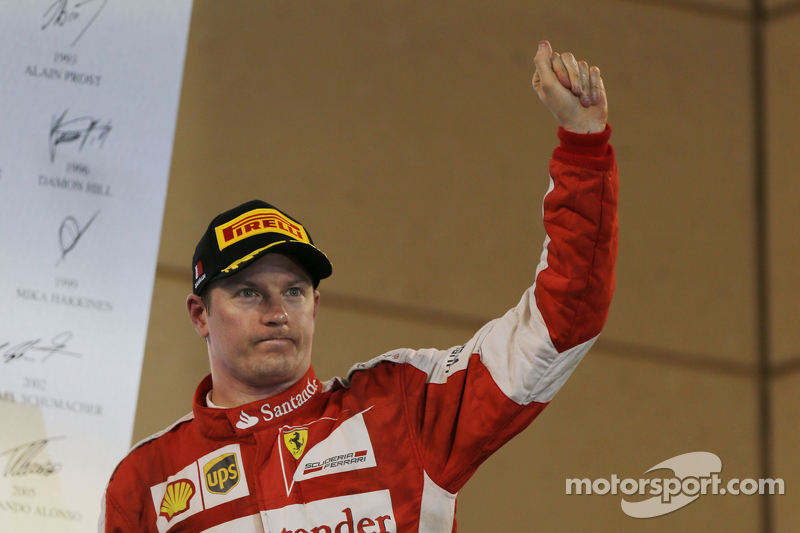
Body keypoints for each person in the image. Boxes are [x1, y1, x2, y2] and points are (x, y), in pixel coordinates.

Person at [99, 40, 618, 533]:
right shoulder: (145, 483)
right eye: (248, 293)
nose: (278, 310)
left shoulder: (402, 407)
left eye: (295, 291)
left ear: (316, 305)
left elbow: (562, 321)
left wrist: (584, 149)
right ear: (198, 315)